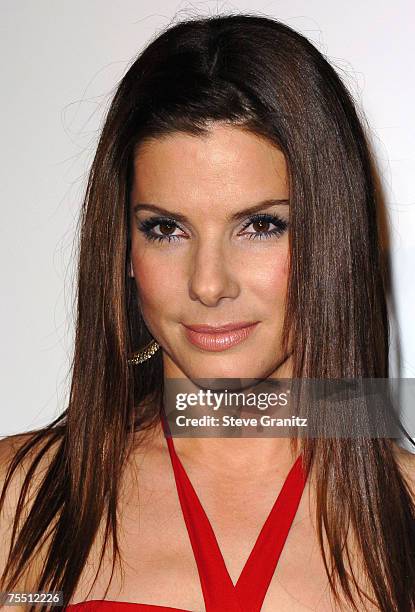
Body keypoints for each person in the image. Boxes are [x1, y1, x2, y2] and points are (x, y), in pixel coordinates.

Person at [1, 13, 415, 612]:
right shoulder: (21, 499)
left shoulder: (404, 513)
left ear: (332, 239)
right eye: (167, 228)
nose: (209, 284)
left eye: (261, 226)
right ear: (124, 250)